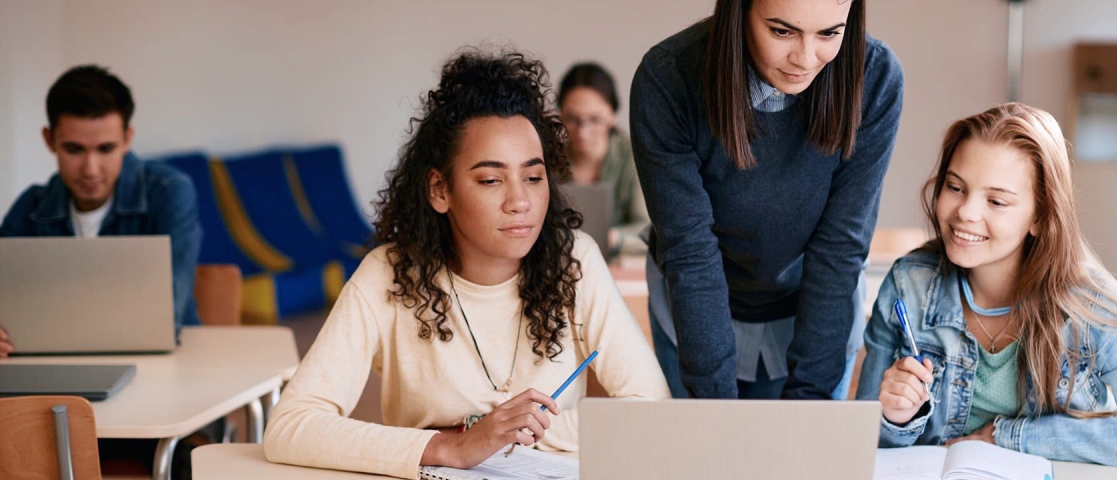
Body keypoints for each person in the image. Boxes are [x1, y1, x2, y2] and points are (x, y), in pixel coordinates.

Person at [263, 50, 669, 479]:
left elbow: (650, 410)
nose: (521, 202)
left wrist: (501, 434)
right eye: (491, 180)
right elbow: (291, 426)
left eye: (533, 177)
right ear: (440, 190)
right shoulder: (390, 274)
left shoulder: (574, 261)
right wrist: (453, 446)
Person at [856, 103, 1117, 469]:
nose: (966, 212)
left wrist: (1007, 437)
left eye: (996, 200)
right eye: (955, 187)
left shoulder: (1091, 304)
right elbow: (865, 442)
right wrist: (895, 418)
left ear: (1040, 216)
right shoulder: (909, 284)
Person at [631, 0, 904, 399]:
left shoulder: (875, 77)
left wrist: (809, 405)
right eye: (782, 31)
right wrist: (715, 411)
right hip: (695, 307)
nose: (806, 58)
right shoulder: (669, 78)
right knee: (707, 453)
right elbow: (690, 254)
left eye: (829, 33)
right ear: (739, 11)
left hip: (813, 308)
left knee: (805, 452)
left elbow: (840, 248)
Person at [0, 64, 202, 357]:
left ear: (128, 138)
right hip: (56, 370)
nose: (90, 170)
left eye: (106, 149)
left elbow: (164, 316)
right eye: (74, 150)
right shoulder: (31, 207)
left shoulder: (170, 191)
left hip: (164, 362)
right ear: (49, 140)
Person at [557, 62, 649, 255]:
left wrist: (615, 238)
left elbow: (648, 229)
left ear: (612, 116)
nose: (583, 130)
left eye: (594, 120)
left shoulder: (634, 156)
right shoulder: (549, 158)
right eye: (572, 119)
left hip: (619, 265)